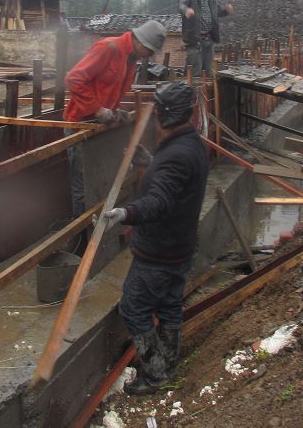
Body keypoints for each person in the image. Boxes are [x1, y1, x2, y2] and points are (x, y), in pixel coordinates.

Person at [104, 81, 209, 395]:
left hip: (159, 251)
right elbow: (176, 185)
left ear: (163, 115)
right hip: (180, 246)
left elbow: (159, 201)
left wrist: (125, 213)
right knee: (169, 304)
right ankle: (168, 361)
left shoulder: (176, 154)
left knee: (133, 307)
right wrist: (151, 163)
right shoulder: (192, 145)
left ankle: (154, 373)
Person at [64, 20, 167, 218]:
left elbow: (108, 89)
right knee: (83, 186)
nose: (150, 55)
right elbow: (74, 79)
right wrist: (96, 110)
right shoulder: (108, 47)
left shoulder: (130, 59)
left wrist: (115, 111)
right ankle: (82, 232)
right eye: (150, 51)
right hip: (80, 125)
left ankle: (99, 224)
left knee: (98, 181)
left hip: (99, 128)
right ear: (141, 42)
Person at [178, 0, 233, 78]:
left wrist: (226, 10)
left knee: (209, 74)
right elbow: (182, 5)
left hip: (209, 40)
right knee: (195, 74)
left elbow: (216, 12)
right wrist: (186, 10)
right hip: (195, 41)